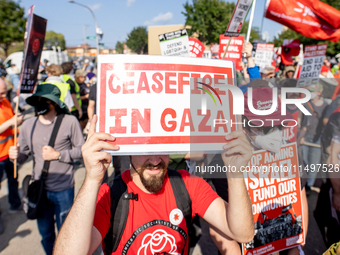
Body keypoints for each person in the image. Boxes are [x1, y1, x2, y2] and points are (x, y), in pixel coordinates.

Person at [54, 114, 255, 254]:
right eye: (145, 149)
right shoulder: (109, 195)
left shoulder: (188, 185)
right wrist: (91, 179)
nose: (156, 159)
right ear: (128, 149)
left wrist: (235, 172)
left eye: (163, 148)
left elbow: (243, 233)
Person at [8, 83, 84, 255]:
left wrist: (58, 154)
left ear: (55, 103)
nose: (40, 102)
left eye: (45, 100)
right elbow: (23, 156)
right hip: (39, 190)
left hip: (64, 189)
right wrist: (16, 155)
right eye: (38, 99)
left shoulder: (69, 121)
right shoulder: (28, 126)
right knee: (46, 235)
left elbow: (81, 151)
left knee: (66, 234)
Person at [0, 78, 24, 235]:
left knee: (13, 179)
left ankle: (15, 203)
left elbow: (13, 119)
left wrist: (18, 121)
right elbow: (9, 123)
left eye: (4, 91)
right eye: (0, 93)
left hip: (10, 151)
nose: (3, 95)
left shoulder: (6, 102)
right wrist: (11, 123)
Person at [297, 84, 328, 194]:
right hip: (305, 138)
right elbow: (302, 123)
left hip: (318, 139)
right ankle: (304, 185)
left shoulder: (326, 106)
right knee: (304, 163)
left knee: (313, 165)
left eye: (312, 91)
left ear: (319, 92)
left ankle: (309, 186)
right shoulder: (306, 104)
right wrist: (300, 137)